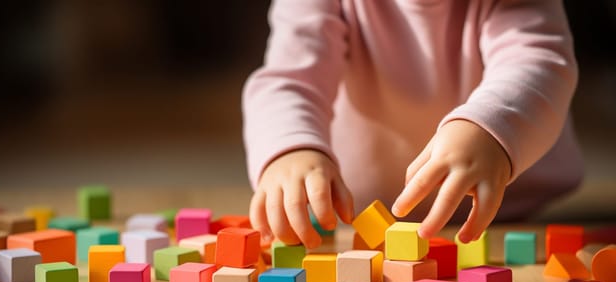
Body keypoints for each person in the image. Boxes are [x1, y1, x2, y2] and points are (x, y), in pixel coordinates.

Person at [242, 0, 582, 249]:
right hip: (360, 218)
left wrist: (489, 128)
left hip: (511, 214)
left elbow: (539, 64)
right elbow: (290, 81)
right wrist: (290, 148)